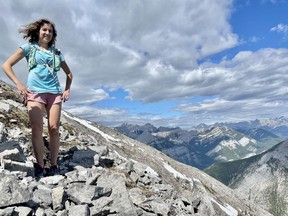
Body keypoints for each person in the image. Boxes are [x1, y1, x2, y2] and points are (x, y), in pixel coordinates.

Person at [2, 18, 73, 177]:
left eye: (50, 31)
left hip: (54, 93)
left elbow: (69, 74)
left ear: (53, 35)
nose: (47, 33)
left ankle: (54, 164)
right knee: (37, 128)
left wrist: (67, 90)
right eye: (45, 30)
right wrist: (19, 84)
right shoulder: (29, 48)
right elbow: (6, 65)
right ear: (38, 32)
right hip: (35, 92)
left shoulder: (57, 53)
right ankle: (40, 164)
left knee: (54, 129)